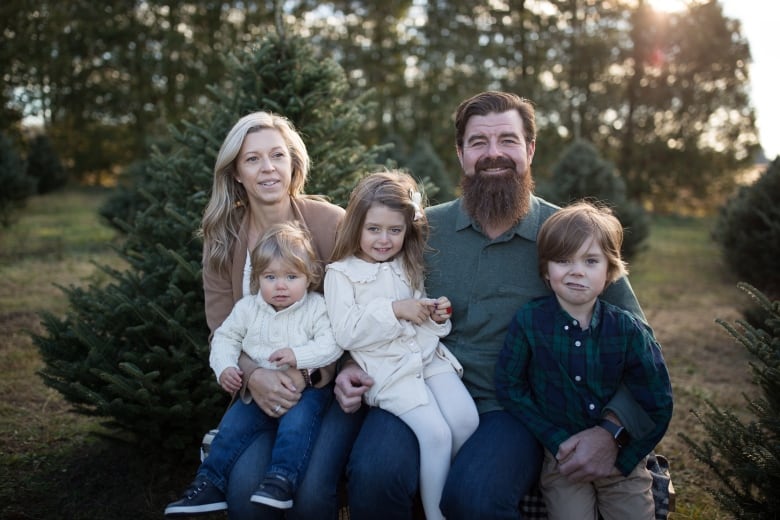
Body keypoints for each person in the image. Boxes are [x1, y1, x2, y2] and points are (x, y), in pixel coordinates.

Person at [334, 91, 657, 519]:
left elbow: (640, 345)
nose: (493, 154)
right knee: (377, 474)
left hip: (512, 410)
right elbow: (361, 296)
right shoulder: (421, 231)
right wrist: (348, 365)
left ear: (530, 149)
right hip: (415, 385)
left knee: (475, 498)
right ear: (461, 154)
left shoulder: (568, 238)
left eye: (507, 140)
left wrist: (612, 430)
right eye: (478, 142)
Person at [176, 111, 362, 520]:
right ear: (236, 173)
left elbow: (362, 312)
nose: (268, 169)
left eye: (277, 155)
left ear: (293, 163)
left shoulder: (329, 224)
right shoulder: (222, 238)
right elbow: (221, 328)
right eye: (253, 159)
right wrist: (254, 377)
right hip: (256, 388)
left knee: (311, 494)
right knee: (244, 495)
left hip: (323, 389)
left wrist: (311, 373)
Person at [495, 201, 673, 519]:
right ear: (546, 271)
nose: (577, 271)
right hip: (561, 458)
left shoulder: (626, 329)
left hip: (622, 460)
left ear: (609, 272)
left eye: (591, 261)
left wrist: (626, 451)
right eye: (563, 260)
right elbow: (510, 386)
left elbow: (656, 398)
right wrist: (555, 439)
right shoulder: (530, 321)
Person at [324, 171, 480, 520]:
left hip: (427, 357)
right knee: (437, 434)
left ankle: (444, 490)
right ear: (356, 226)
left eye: (394, 230)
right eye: (374, 229)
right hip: (389, 372)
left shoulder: (406, 264)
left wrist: (435, 314)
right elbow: (346, 333)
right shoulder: (341, 274)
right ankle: (435, 513)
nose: (384, 239)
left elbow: (418, 309)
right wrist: (396, 310)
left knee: (466, 420)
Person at [165, 222, 344, 516]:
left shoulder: (316, 307)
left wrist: (297, 355)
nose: (280, 285)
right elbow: (225, 337)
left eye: (291, 276)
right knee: (232, 427)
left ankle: (281, 480)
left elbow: (331, 344)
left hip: (307, 390)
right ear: (257, 278)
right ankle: (209, 483)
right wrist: (225, 367)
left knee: (296, 425)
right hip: (259, 391)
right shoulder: (249, 309)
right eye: (270, 276)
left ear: (309, 276)